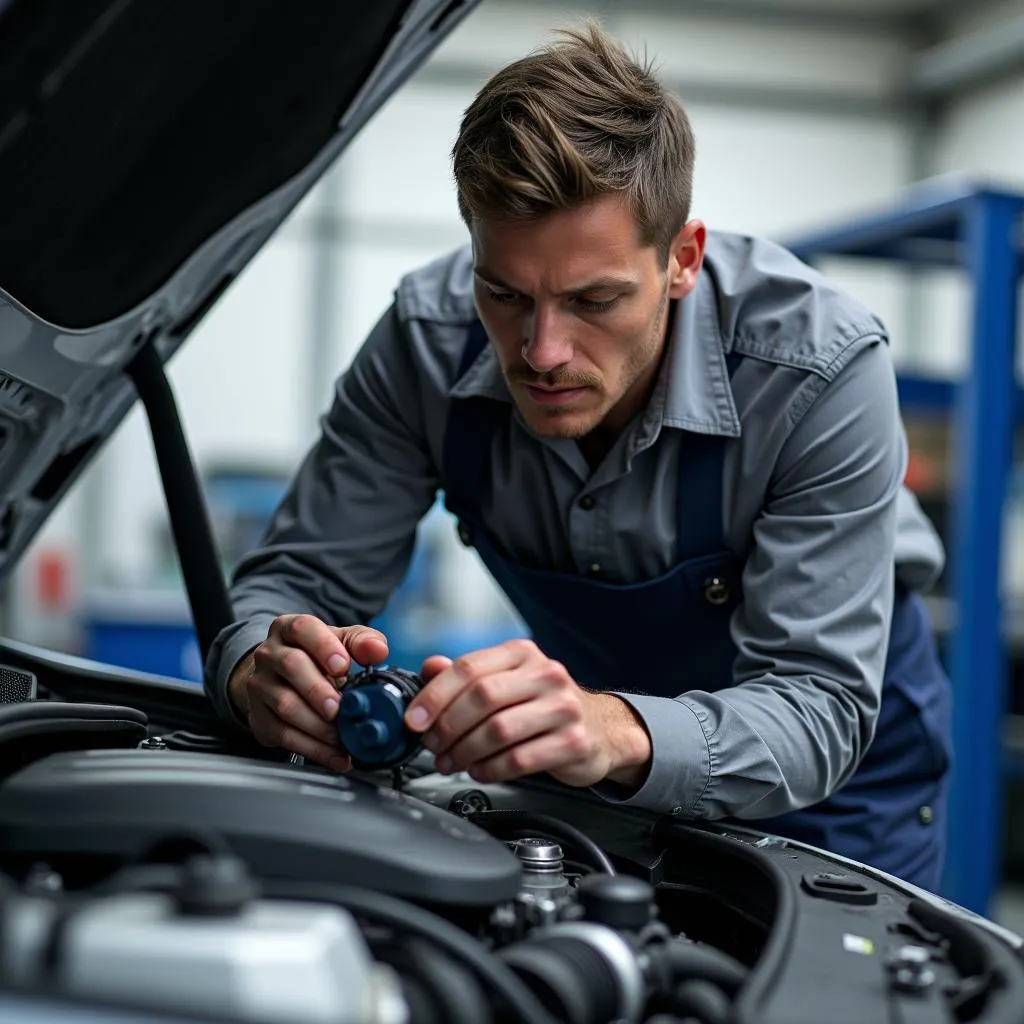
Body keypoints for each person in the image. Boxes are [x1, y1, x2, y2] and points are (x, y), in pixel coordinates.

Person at [204, 22, 952, 892]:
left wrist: (615, 732)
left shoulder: (817, 373)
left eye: (594, 299)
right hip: (600, 776)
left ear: (682, 260)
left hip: (838, 801)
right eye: (504, 293)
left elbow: (815, 704)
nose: (543, 350)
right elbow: (297, 581)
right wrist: (264, 665)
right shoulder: (424, 342)